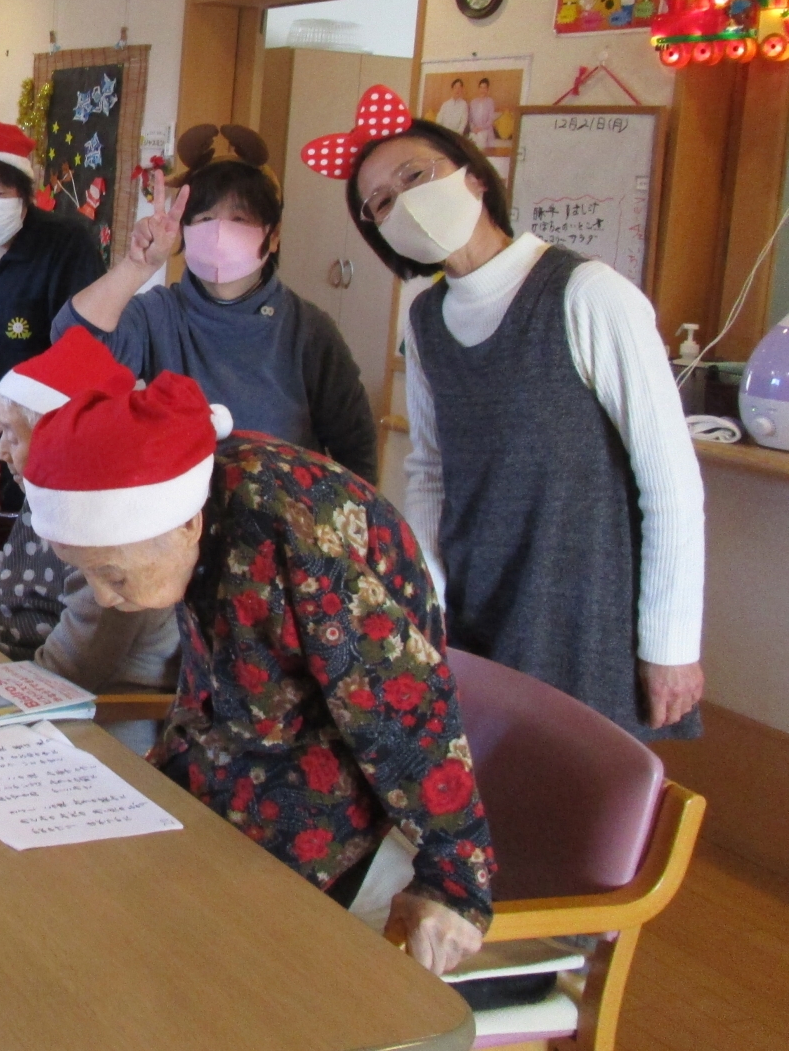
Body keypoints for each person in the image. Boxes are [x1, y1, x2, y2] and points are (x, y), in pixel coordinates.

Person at [23, 371, 495, 973]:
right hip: (252, 739)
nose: (103, 597)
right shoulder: (192, 505)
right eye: (87, 574)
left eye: (112, 575)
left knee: (218, 938)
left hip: (337, 754)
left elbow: (404, 702)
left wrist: (453, 878)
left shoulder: (292, 530)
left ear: (186, 526)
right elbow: (217, 684)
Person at [310, 85, 704, 740]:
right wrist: (427, 590)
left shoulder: (587, 293)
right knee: (479, 770)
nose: (401, 202)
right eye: (379, 202)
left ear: (472, 176)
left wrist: (670, 643)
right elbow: (431, 468)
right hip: (475, 598)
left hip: (580, 604)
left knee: (579, 776)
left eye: (413, 176)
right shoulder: (426, 320)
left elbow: (670, 482)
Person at [53, 124, 377, 479]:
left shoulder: (309, 331)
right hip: (183, 509)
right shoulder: (160, 314)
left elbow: (356, 449)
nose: (220, 232)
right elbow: (72, 344)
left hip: (284, 509)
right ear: (185, 231)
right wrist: (137, 265)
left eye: (239, 219)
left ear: (273, 236)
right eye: (206, 219)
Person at [0, 328, 181, 697]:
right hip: (13, 671)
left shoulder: (113, 536)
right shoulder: (50, 491)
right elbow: (6, 561)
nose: (0, 453)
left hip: (95, 709)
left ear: (56, 440)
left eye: (12, 436)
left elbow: (70, 674)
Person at [0, 119, 102, 444]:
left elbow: (85, 347)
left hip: (43, 425)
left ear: (24, 195)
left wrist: (15, 396)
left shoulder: (66, 244)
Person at [465, 76, 497, 146]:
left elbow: (490, 120)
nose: (482, 90)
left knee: (481, 138)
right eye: (481, 87)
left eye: (484, 88)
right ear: (478, 89)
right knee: (472, 140)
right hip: (475, 130)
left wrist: (481, 128)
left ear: (487, 89)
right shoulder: (473, 102)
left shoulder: (490, 102)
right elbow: (470, 119)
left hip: (486, 130)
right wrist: (473, 128)